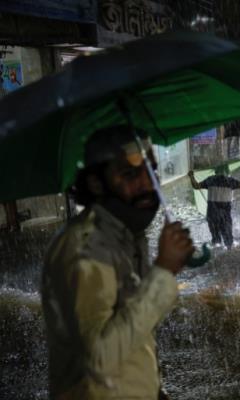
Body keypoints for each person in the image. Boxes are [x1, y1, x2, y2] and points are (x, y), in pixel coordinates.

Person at [42, 125, 195, 399]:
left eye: (151, 170)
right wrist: (163, 270)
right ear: (96, 183)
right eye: (130, 174)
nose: (148, 184)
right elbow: (99, 358)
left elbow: (130, 333)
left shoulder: (123, 235)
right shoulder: (85, 247)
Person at [188, 164, 240, 249]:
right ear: (227, 172)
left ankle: (216, 256)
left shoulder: (211, 180)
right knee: (228, 240)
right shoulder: (230, 181)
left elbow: (196, 186)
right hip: (224, 216)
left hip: (212, 216)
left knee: (216, 240)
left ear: (216, 172)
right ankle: (228, 254)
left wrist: (191, 176)